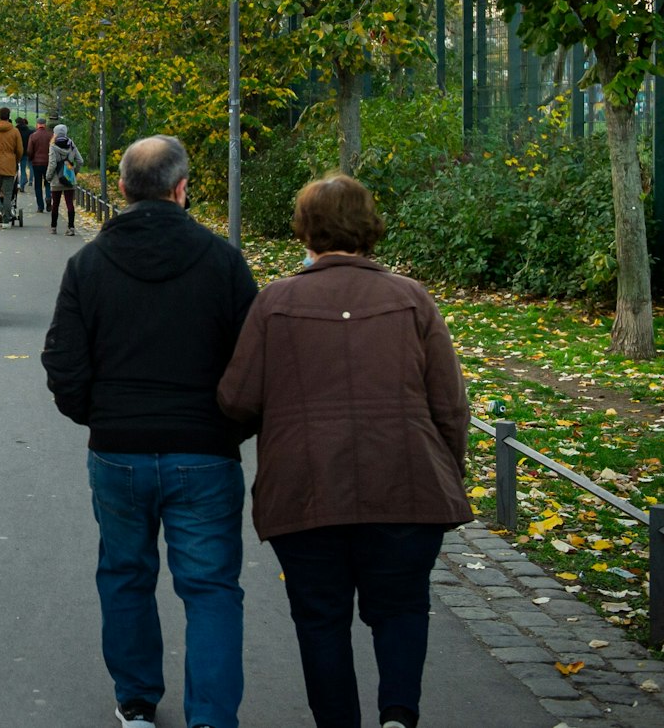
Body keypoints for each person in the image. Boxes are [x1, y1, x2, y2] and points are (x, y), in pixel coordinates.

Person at [218, 173, 471, 728]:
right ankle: (398, 715)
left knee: (320, 619)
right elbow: (450, 405)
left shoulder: (276, 302)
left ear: (305, 229)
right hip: (406, 485)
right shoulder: (412, 298)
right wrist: (448, 471)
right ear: (369, 226)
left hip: (305, 490)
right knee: (402, 607)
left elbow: (237, 399)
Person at [42, 135, 258, 728]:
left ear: (121, 189)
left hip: (119, 450)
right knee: (211, 589)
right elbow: (255, 362)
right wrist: (230, 426)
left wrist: (100, 416)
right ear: (182, 188)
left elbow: (63, 360)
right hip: (205, 450)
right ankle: (210, 717)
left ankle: (136, 701)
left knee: (125, 575)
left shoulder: (89, 265)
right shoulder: (222, 262)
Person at [46, 123, 84, 236]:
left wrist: (48, 176)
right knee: (69, 203)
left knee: (55, 204)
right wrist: (74, 172)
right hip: (69, 178)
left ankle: (53, 227)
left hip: (56, 179)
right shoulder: (71, 144)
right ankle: (71, 227)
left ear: (55, 133)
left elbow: (52, 164)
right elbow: (80, 161)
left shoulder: (53, 146)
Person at [26, 117, 52, 214]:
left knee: (37, 185)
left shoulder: (33, 136)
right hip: (48, 162)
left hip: (36, 163)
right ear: (45, 124)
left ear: (37, 124)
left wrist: (30, 158)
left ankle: (40, 206)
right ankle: (48, 197)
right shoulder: (50, 135)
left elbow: (29, 150)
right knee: (48, 182)